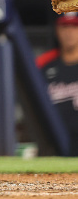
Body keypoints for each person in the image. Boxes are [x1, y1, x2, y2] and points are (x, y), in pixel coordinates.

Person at [36, 12, 78, 156]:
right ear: (57, 30)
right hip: (53, 142)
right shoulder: (44, 64)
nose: (69, 33)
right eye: (64, 27)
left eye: (74, 27)